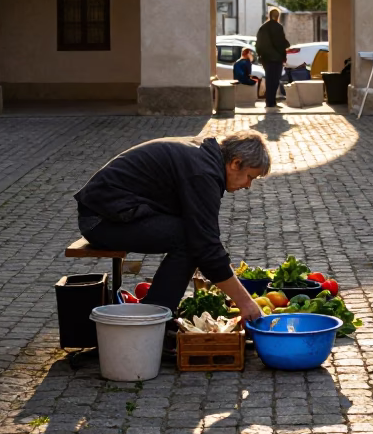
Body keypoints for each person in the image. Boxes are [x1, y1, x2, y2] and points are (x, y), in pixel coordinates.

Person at [73, 130, 269, 325]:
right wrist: (246, 303)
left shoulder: (206, 158)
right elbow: (206, 245)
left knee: (193, 236)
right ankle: (154, 321)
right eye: (250, 177)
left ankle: (156, 313)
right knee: (190, 240)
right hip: (101, 220)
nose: (248, 186)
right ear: (235, 163)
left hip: (112, 212)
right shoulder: (203, 172)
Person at [255, 6, 290, 109]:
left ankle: (268, 101)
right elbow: (281, 42)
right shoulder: (278, 27)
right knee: (275, 80)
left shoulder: (263, 27)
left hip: (266, 58)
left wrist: (260, 55)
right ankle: (272, 101)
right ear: (277, 16)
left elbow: (258, 44)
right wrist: (286, 46)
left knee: (269, 79)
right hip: (277, 58)